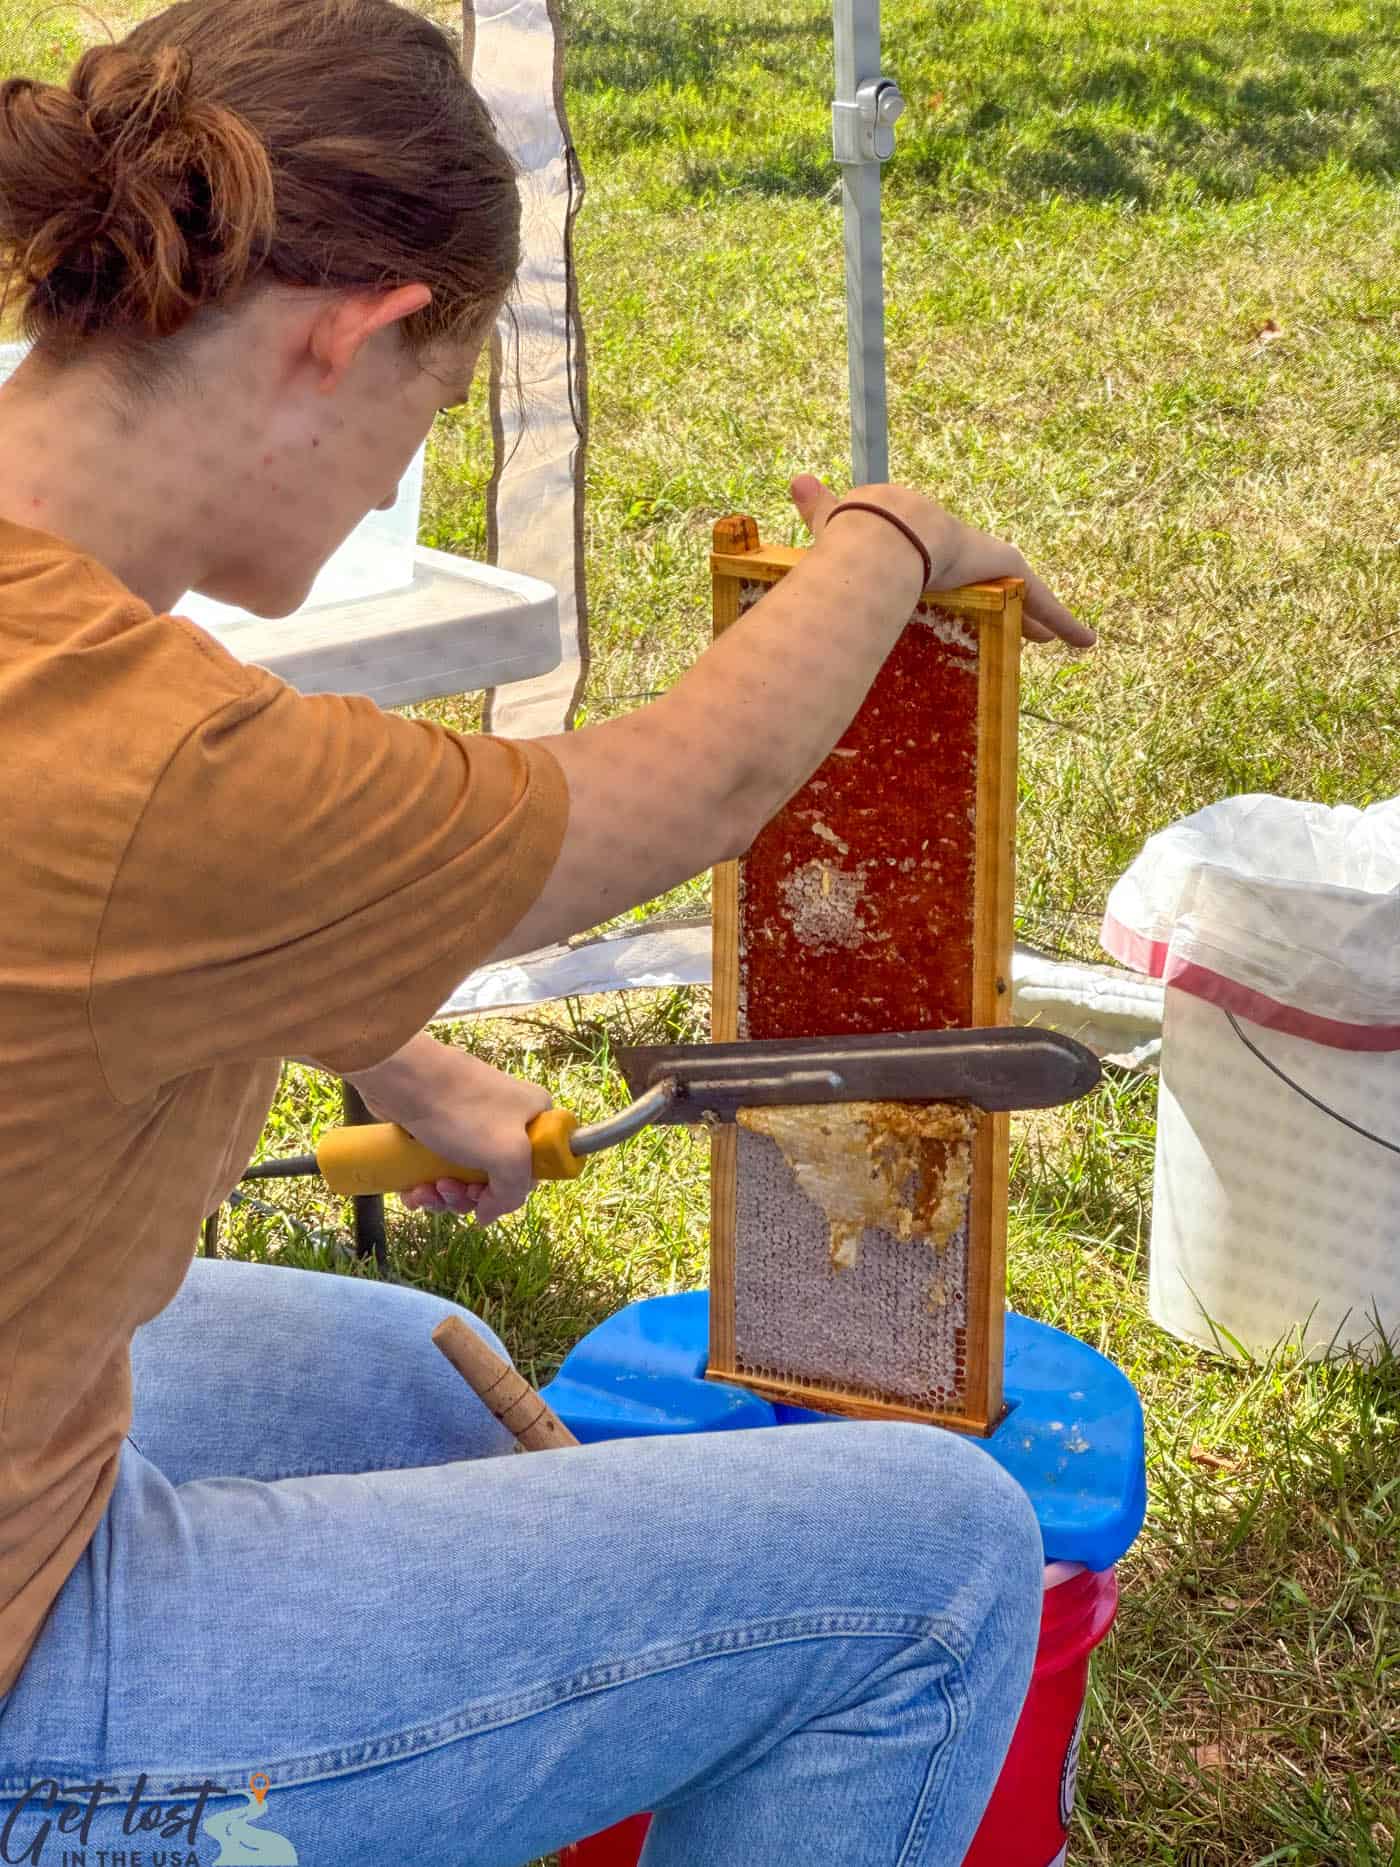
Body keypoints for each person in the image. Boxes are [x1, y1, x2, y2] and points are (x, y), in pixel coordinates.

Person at [0, 3, 1094, 1863]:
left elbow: (90, 941)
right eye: (425, 418)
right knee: (937, 1556)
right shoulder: (164, 754)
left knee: (422, 1370)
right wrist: (895, 538)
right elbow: (700, 781)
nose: (376, 492)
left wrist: (401, 1053)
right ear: (360, 335)